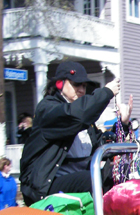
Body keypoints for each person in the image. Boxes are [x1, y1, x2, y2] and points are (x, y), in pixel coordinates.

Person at [19, 61, 128, 206]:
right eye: (76, 84)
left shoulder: (84, 119)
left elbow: (100, 144)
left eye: (84, 86)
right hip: (45, 185)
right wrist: (106, 93)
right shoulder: (48, 109)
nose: (81, 90)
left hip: (75, 175)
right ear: (59, 84)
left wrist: (123, 124)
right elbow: (77, 114)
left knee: (121, 173)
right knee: (96, 179)